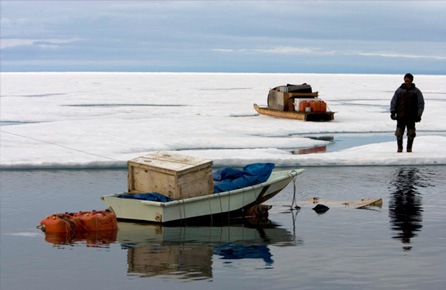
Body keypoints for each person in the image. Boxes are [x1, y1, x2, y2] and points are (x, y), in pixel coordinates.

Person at [390, 73, 424, 152]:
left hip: (412, 116)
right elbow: (393, 101)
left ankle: (409, 149)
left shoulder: (416, 91)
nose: (406, 81)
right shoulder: (399, 90)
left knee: (411, 133)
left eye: (408, 79)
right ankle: (399, 149)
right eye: (405, 79)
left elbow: (421, 104)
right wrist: (392, 112)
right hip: (401, 116)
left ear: (411, 80)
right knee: (399, 133)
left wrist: (419, 115)